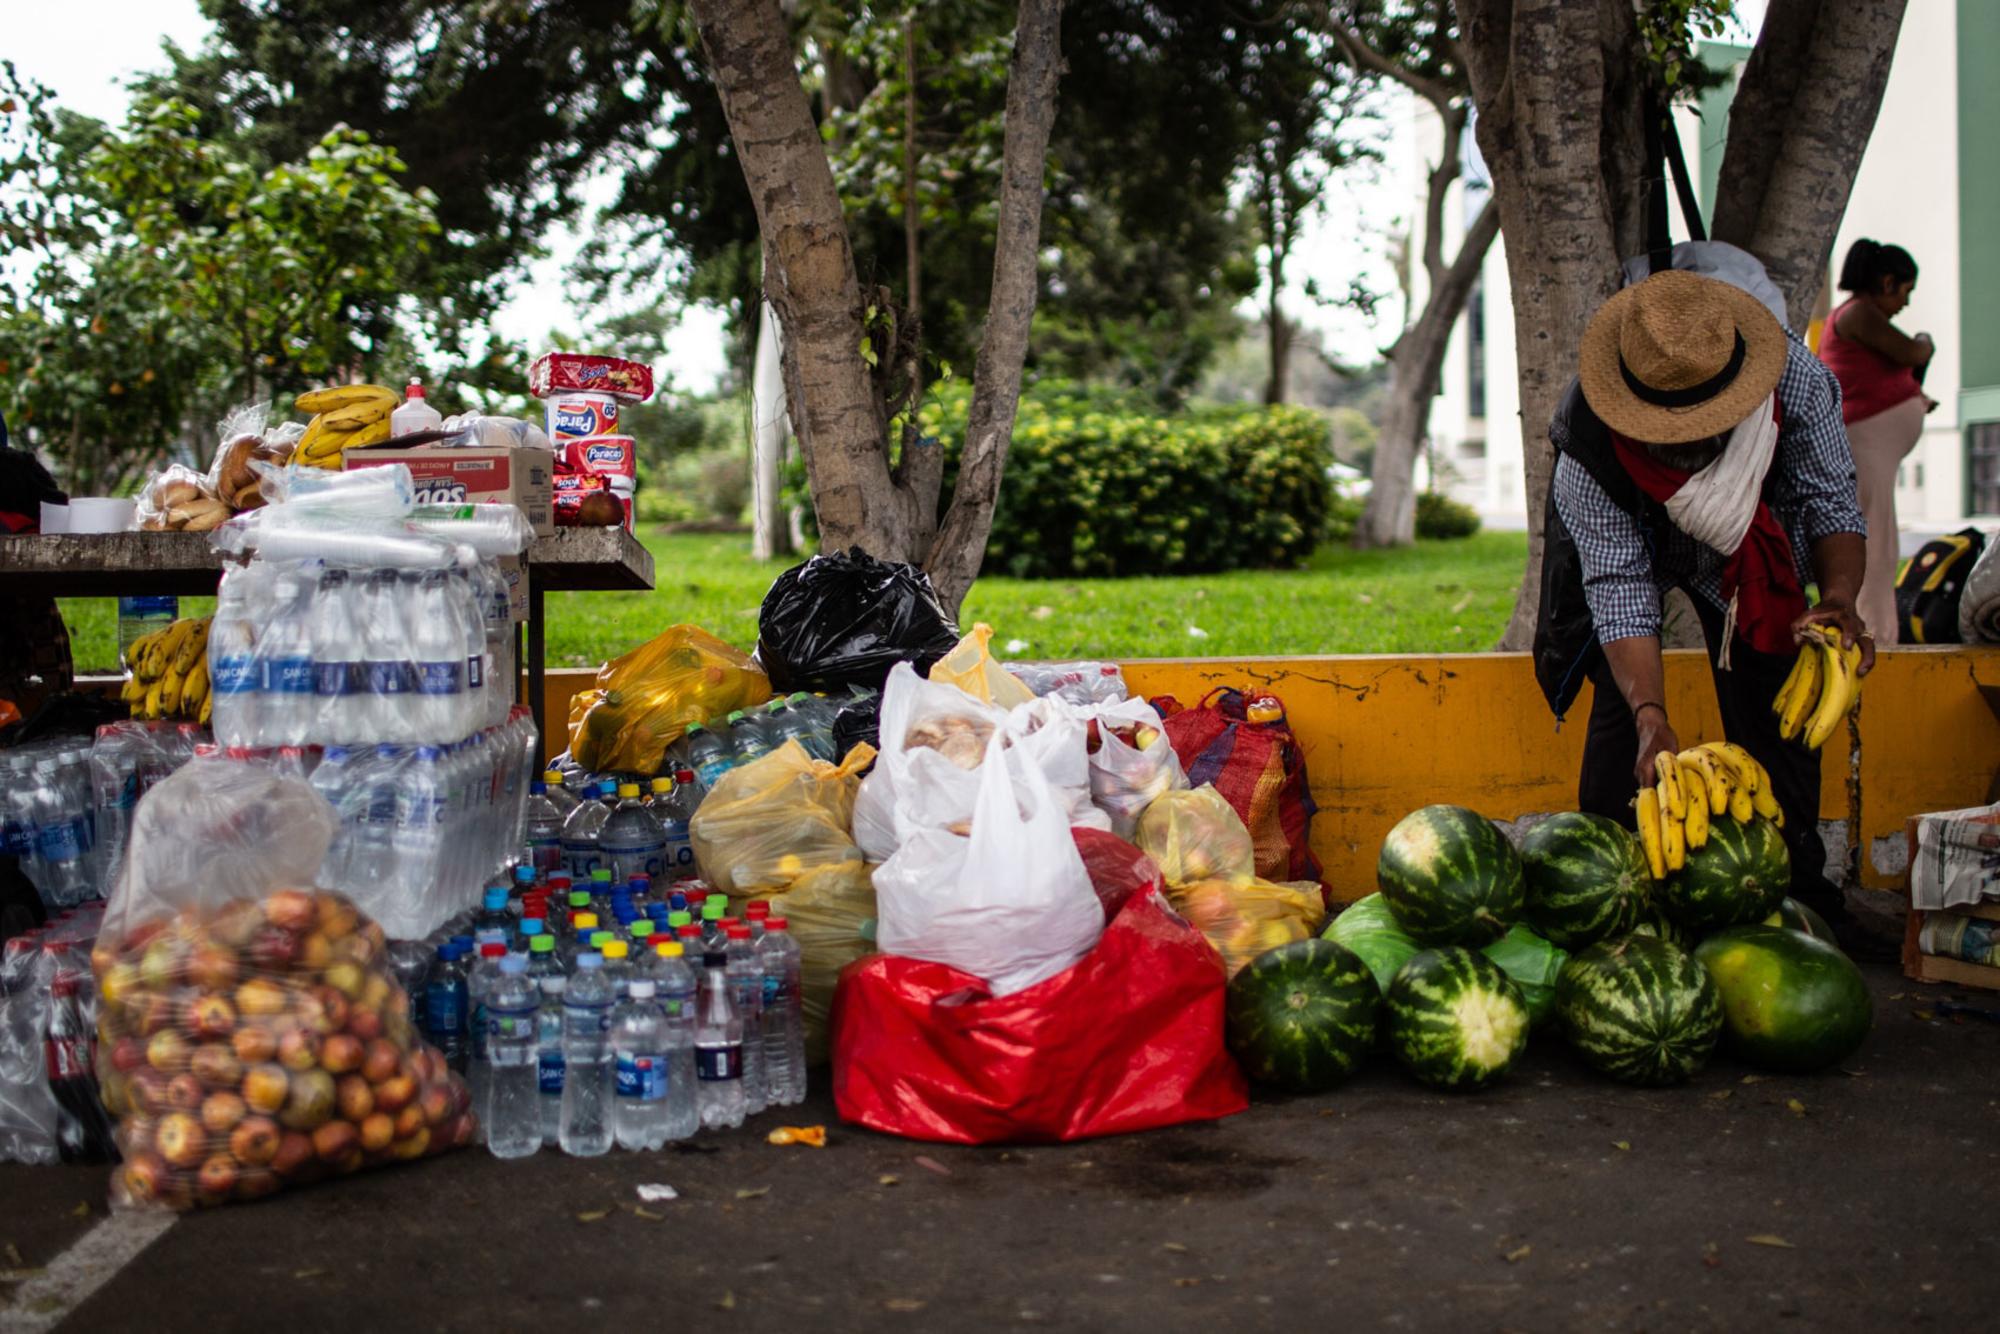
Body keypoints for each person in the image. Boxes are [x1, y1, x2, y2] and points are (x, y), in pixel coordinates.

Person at [1532, 268, 1873, 937]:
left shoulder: (1795, 382)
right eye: (1668, 429)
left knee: (1779, 716)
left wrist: (1837, 597)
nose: (1688, 444)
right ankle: (1613, 900)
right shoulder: (1588, 449)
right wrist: (1651, 714)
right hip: (1640, 536)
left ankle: (1801, 898)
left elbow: (1829, 498)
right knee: (1620, 735)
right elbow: (1619, 589)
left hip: (1754, 558)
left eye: (1703, 425)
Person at [1816, 238, 1934, 644]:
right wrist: (1926, 341)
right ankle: (1874, 635)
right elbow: (1911, 353)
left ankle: (1878, 629)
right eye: (1905, 291)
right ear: (1887, 282)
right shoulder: (1859, 314)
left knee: (1880, 540)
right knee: (1875, 544)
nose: (1904, 302)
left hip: (1871, 443)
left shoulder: (1854, 317)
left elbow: (1878, 375)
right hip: (1863, 443)